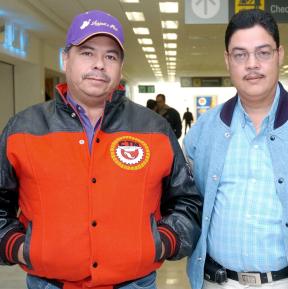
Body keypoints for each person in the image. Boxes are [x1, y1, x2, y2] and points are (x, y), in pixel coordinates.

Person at [0, 10, 202, 289]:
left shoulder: (154, 128)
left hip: (135, 283)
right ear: (65, 58)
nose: (99, 64)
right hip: (48, 283)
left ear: (120, 66)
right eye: (87, 53)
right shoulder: (23, 128)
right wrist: (17, 246)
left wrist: (162, 242)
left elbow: (187, 202)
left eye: (111, 56)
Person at [185, 9, 288, 289]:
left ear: (279, 55)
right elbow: (186, 198)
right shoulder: (206, 128)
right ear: (228, 60)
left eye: (263, 52)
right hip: (217, 282)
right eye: (240, 54)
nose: (252, 64)